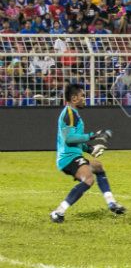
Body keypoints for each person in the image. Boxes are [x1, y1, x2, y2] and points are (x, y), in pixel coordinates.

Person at [50, 84, 125, 223]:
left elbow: (76, 140)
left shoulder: (74, 114)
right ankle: (58, 212)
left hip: (73, 156)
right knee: (89, 180)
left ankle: (111, 203)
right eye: (82, 96)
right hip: (68, 158)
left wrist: (90, 149)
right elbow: (69, 138)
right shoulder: (69, 113)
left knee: (98, 167)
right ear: (74, 98)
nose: (84, 98)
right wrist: (93, 135)